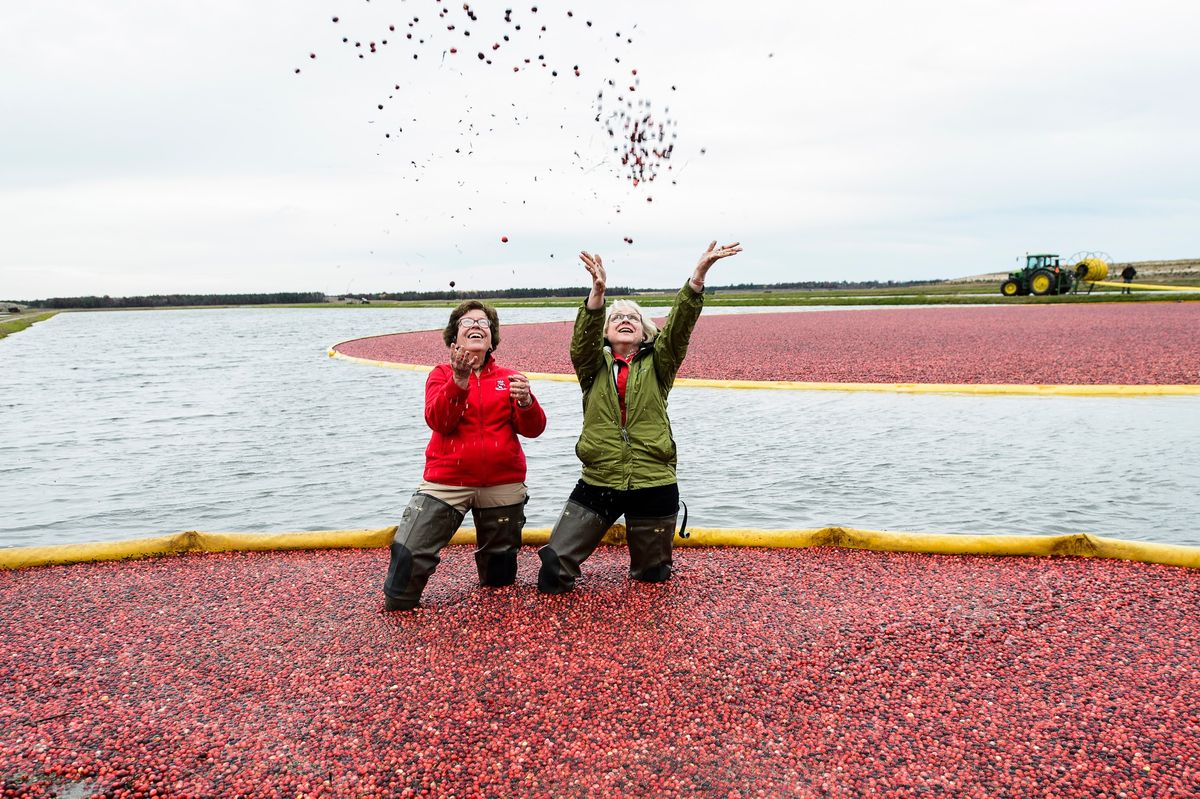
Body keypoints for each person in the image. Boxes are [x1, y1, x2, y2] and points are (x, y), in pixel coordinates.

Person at [537, 240, 743, 593]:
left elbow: (678, 331)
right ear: (605, 331)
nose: (625, 321)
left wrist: (697, 277)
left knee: (653, 577)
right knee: (553, 571)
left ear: (645, 331)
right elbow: (581, 342)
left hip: (654, 479)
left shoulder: (659, 364)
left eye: (632, 317)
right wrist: (598, 294)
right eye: (617, 318)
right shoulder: (591, 367)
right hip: (600, 477)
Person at [383, 300, 546, 611]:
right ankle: (400, 603)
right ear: (453, 338)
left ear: (492, 338)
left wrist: (526, 402)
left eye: (483, 323)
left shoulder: (510, 377)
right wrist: (458, 381)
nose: (476, 326)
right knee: (407, 562)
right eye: (467, 323)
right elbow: (439, 421)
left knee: (499, 580)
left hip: (503, 483)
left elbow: (534, 430)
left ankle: (494, 614)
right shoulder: (440, 374)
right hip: (447, 482)